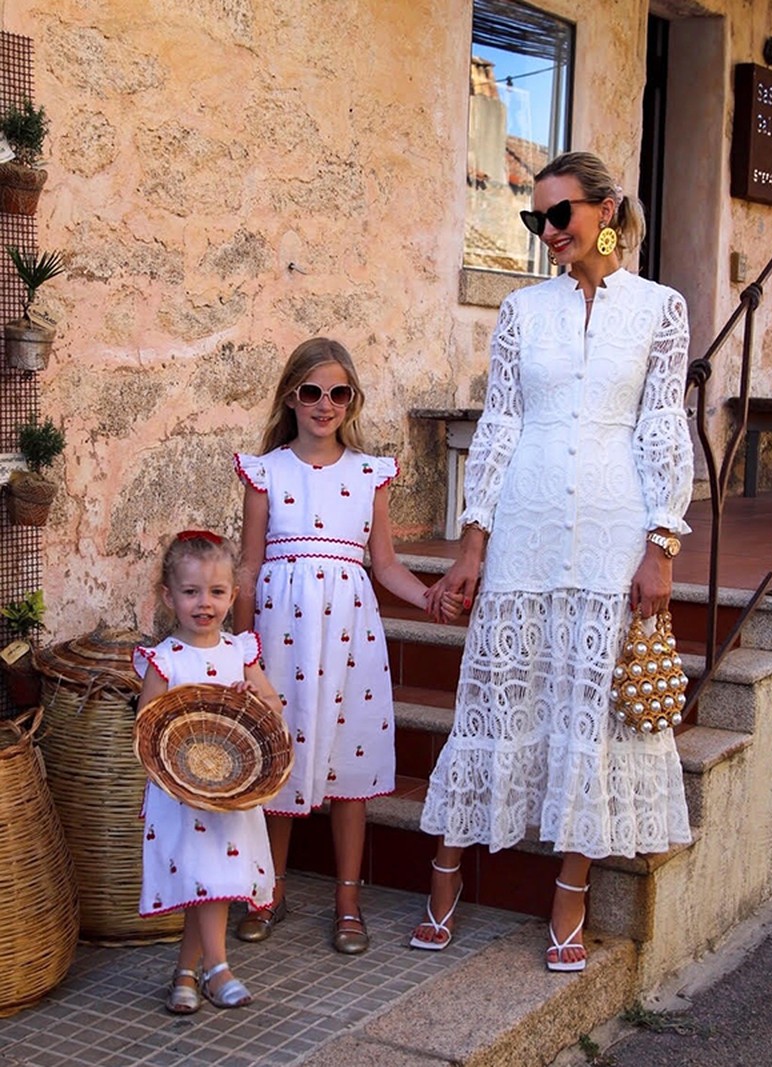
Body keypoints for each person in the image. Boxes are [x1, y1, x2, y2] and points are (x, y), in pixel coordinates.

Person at [410, 151, 694, 972]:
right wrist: (473, 542)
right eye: (536, 219)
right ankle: (445, 871)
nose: (547, 232)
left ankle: (570, 892)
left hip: (613, 527)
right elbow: (499, 425)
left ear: (604, 211)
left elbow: (662, 428)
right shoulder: (522, 311)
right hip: (526, 524)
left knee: (589, 710)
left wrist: (662, 544)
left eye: (558, 214)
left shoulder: (660, 309)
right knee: (494, 702)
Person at [233, 337, 460, 955]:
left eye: (338, 393)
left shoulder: (368, 474)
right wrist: (244, 652)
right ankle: (269, 892)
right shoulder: (266, 472)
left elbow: (384, 565)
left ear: (351, 400)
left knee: (349, 765)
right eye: (311, 391)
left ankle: (348, 901)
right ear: (291, 397)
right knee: (277, 760)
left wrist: (428, 598)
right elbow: (249, 568)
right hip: (280, 637)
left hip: (348, 638)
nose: (324, 404)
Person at [134, 530, 283, 1013]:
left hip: (231, 789)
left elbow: (273, 706)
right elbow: (148, 724)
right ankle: (218, 970)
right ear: (168, 597)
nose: (205, 603)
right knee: (203, 879)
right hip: (180, 793)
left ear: (233, 595)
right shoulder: (164, 659)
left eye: (217, 592)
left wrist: (252, 696)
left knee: (212, 879)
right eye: (191, 592)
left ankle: (188, 972)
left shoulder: (239, 651)